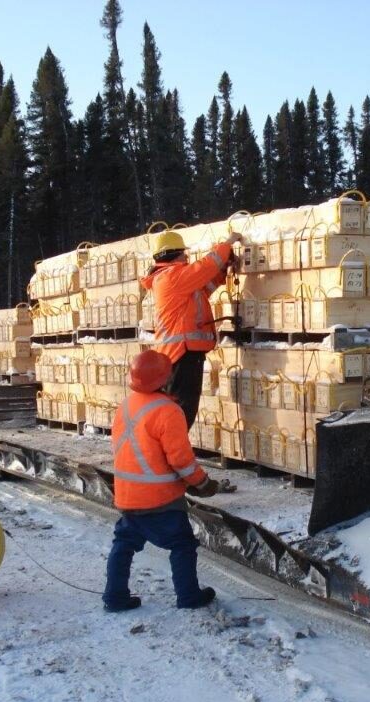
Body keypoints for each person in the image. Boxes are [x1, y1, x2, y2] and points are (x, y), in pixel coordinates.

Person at [103, 349, 225, 612]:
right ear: (165, 379)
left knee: (123, 544)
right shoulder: (168, 411)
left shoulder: (126, 406)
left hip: (127, 496)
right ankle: (189, 596)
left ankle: (114, 597)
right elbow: (181, 460)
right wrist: (203, 483)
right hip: (159, 499)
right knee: (182, 544)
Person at [141, 230, 243, 430]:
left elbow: (204, 288)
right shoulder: (171, 277)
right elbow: (205, 267)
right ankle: (173, 456)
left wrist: (223, 273)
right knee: (181, 413)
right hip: (182, 354)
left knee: (180, 411)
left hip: (180, 354)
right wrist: (228, 243)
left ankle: (172, 454)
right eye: (182, 253)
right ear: (171, 255)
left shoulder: (173, 279)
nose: (186, 256)